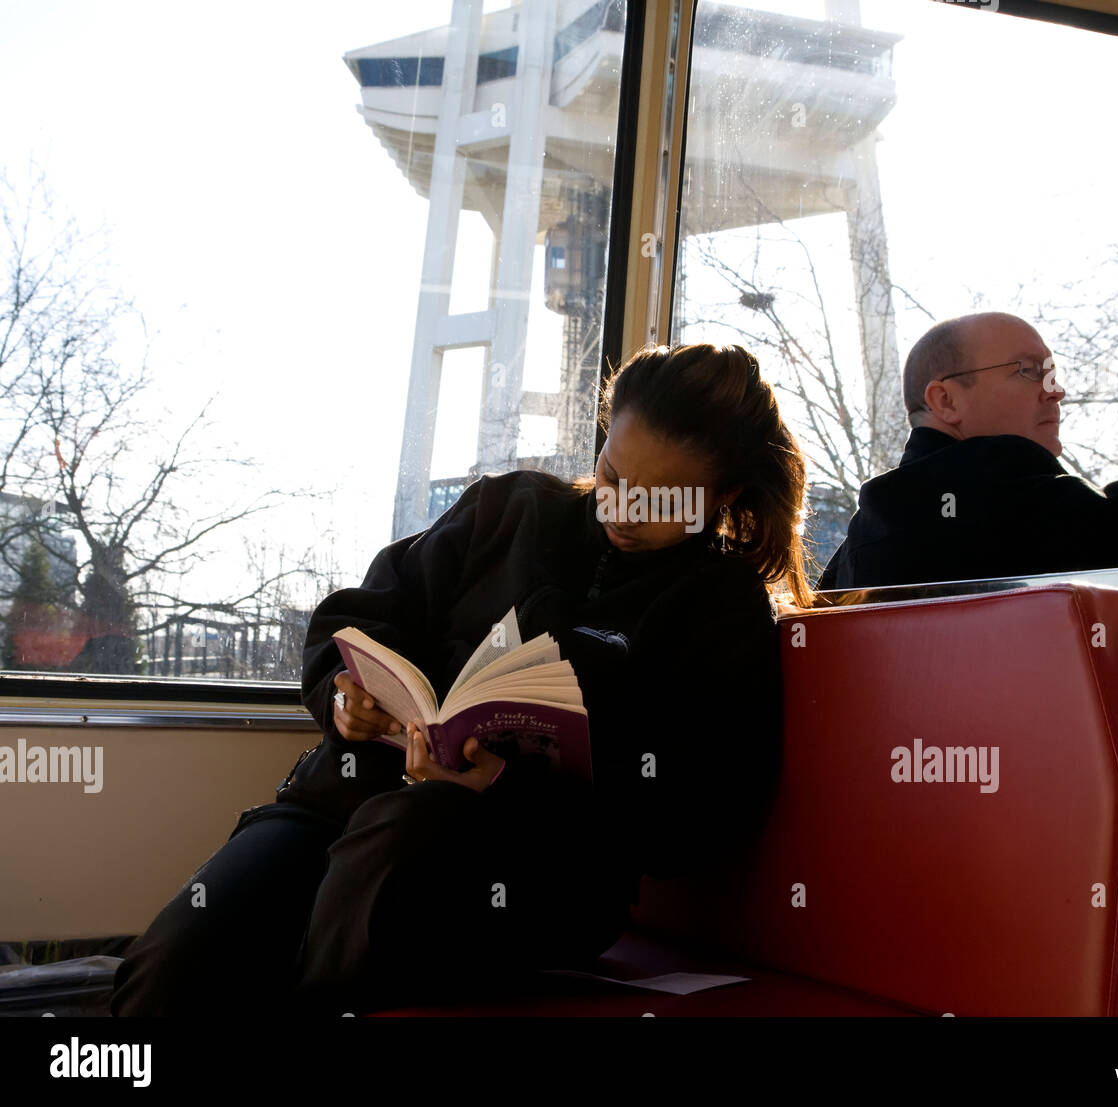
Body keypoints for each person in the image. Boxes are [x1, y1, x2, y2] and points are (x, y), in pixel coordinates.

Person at [111, 342, 813, 1016]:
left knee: (386, 866)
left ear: (723, 494)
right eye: (612, 474)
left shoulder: (719, 611)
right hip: (340, 798)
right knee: (175, 959)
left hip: (529, 869)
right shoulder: (510, 509)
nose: (621, 511)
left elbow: (703, 818)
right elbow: (358, 618)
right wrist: (344, 695)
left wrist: (511, 786)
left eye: (659, 500)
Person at [817, 312, 1118, 591]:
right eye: (1029, 371)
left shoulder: (853, 557)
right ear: (946, 401)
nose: (1057, 391)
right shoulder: (1015, 505)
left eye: (1054, 373)